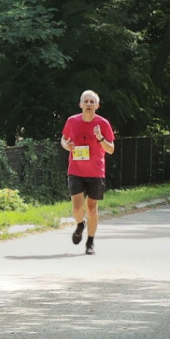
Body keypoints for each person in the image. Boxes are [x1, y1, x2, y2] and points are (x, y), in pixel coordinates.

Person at [61, 89, 116, 255]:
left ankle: (90, 242)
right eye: (86, 101)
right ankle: (80, 224)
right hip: (76, 170)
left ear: (97, 106)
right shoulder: (72, 121)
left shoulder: (103, 124)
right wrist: (67, 145)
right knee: (77, 209)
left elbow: (111, 149)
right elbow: (63, 139)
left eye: (92, 102)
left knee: (92, 209)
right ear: (80, 104)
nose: (89, 104)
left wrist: (100, 138)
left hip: (96, 172)